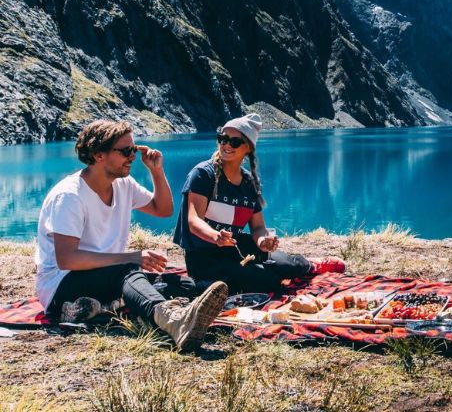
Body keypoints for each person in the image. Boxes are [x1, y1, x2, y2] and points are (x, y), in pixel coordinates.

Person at [35, 120, 228, 351]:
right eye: (126, 151)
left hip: (107, 274)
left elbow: (162, 209)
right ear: (98, 155)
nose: (133, 156)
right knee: (129, 271)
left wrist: (156, 170)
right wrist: (132, 257)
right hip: (62, 284)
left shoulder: (123, 184)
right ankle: (173, 320)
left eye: (134, 150)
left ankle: (97, 306)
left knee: (184, 285)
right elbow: (67, 259)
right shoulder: (69, 196)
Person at [173, 113, 344, 294]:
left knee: (286, 265)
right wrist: (216, 236)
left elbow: (257, 227)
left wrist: (263, 241)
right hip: (203, 255)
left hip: (236, 246)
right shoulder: (202, 174)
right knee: (265, 281)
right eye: (222, 138)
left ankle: (310, 265)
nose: (226, 145)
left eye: (234, 142)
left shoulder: (249, 182)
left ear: (248, 148)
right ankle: (210, 283)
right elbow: (193, 220)